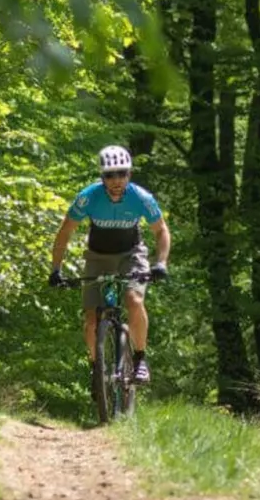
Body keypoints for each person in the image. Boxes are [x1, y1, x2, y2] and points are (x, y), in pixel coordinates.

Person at [49, 145, 170, 384]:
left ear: (130, 174)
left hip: (131, 254)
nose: (116, 180)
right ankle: (96, 368)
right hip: (97, 256)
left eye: (122, 173)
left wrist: (161, 263)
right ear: (102, 177)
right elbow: (65, 233)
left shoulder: (141, 198)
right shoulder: (88, 197)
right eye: (109, 175)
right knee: (91, 319)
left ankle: (140, 359)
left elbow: (161, 230)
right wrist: (56, 269)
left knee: (134, 300)